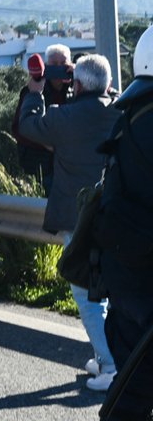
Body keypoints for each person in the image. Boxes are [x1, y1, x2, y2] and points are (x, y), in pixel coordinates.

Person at [19, 54, 121, 391]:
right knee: (113, 291)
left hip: (78, 218)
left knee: (86, 294)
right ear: (108, 83)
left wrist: (35, 91)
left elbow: (28, 125)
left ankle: (109, 366)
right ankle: (110, 356)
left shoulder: (64, 117)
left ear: (75, 84)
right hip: (117, 216)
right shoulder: (122, 112)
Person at [95, 25, 153, 420]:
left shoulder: (134, 114)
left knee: (132, 397)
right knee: (131, 401)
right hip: (145, 281)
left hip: (127, 276)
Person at [12, 44, 72, 194]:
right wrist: (45, 143)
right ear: (46, 66)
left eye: (63, 64)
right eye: (54, 64)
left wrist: (77, 76)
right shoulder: (32, 89)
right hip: (40, 166)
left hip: (69, 166)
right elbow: (18, 128)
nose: (58, 68)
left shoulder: (76, 88)